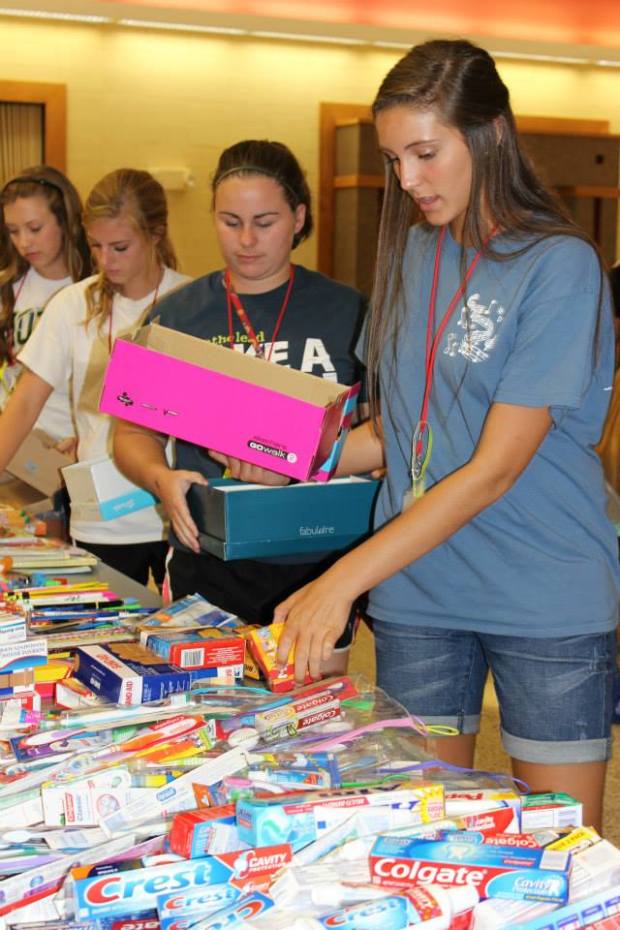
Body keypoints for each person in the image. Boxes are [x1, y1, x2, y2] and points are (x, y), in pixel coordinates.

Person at [267, 40, 619, 831]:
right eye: (394, 159)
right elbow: (400, 437)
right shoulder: (412, 254)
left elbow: (493, 469)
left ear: (490, 134)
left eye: (425, 153)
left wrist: (339, 580)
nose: (407, 182)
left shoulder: (558, 266)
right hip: (420, 590)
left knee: (556, 845)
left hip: (544, 592)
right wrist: (290, 458)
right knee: (424, 829)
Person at [113, 140, 366, 672]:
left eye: (265, 221)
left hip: (316, 559)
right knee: (204, 710)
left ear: (299, 217)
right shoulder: (179, 316)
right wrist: (160, 478)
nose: (247, 240)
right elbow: (132, 432)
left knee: (306, 716)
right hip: (209, 554)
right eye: (230, 222)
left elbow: (383, 433)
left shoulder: (350, 312)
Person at [0, 168, 190, 585]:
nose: (106, 261)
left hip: (175, 514)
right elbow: (25, 402)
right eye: (96, 246)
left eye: (120, 247)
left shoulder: (190, 302)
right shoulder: (72, 305)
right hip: (100, 519)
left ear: (155, 234)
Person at [0, 166, 91, 445]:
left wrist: (84, 440)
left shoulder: (95, 292)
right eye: (13, 231)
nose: (24, 242)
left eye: (35, 228)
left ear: (66, 221)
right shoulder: (6, 290)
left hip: (70, 442)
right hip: (14, 441)